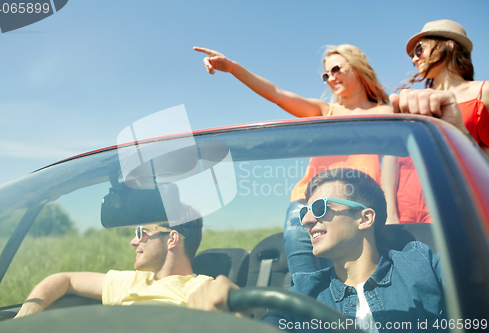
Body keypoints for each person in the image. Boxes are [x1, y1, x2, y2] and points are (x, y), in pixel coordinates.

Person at [194, 44, 394, 274]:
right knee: (306, 279)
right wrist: (233, 68)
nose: (330, 78)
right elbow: (277, 95)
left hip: (356, 207)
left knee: (351, 278)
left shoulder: (384, 114)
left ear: (357, 67)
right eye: (325, 75)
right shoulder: (324, 111)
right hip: (308, 203)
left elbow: (391, 167)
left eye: (336, 69)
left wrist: (392, 214)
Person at [188, 167, 445, 332]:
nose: (307, 220)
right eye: (305, 211)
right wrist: (237, 321)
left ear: (365, 218)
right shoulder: (302, 293)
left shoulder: (422, 263)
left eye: (320, 208)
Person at [14, 206, 212, 318]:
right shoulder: (130, 281)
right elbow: (65, 279)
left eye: (142, 232)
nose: (133, 241)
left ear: (172, 239)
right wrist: (30, 309)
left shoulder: (204, 288)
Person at [383, 19, 487, 224]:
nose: (414, 59)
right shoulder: (412, 101)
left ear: (449, 45)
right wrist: (390, 214)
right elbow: (391, 159)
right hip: (406, 211)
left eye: (419, 49)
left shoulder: (484, 92)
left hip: (459, 209)